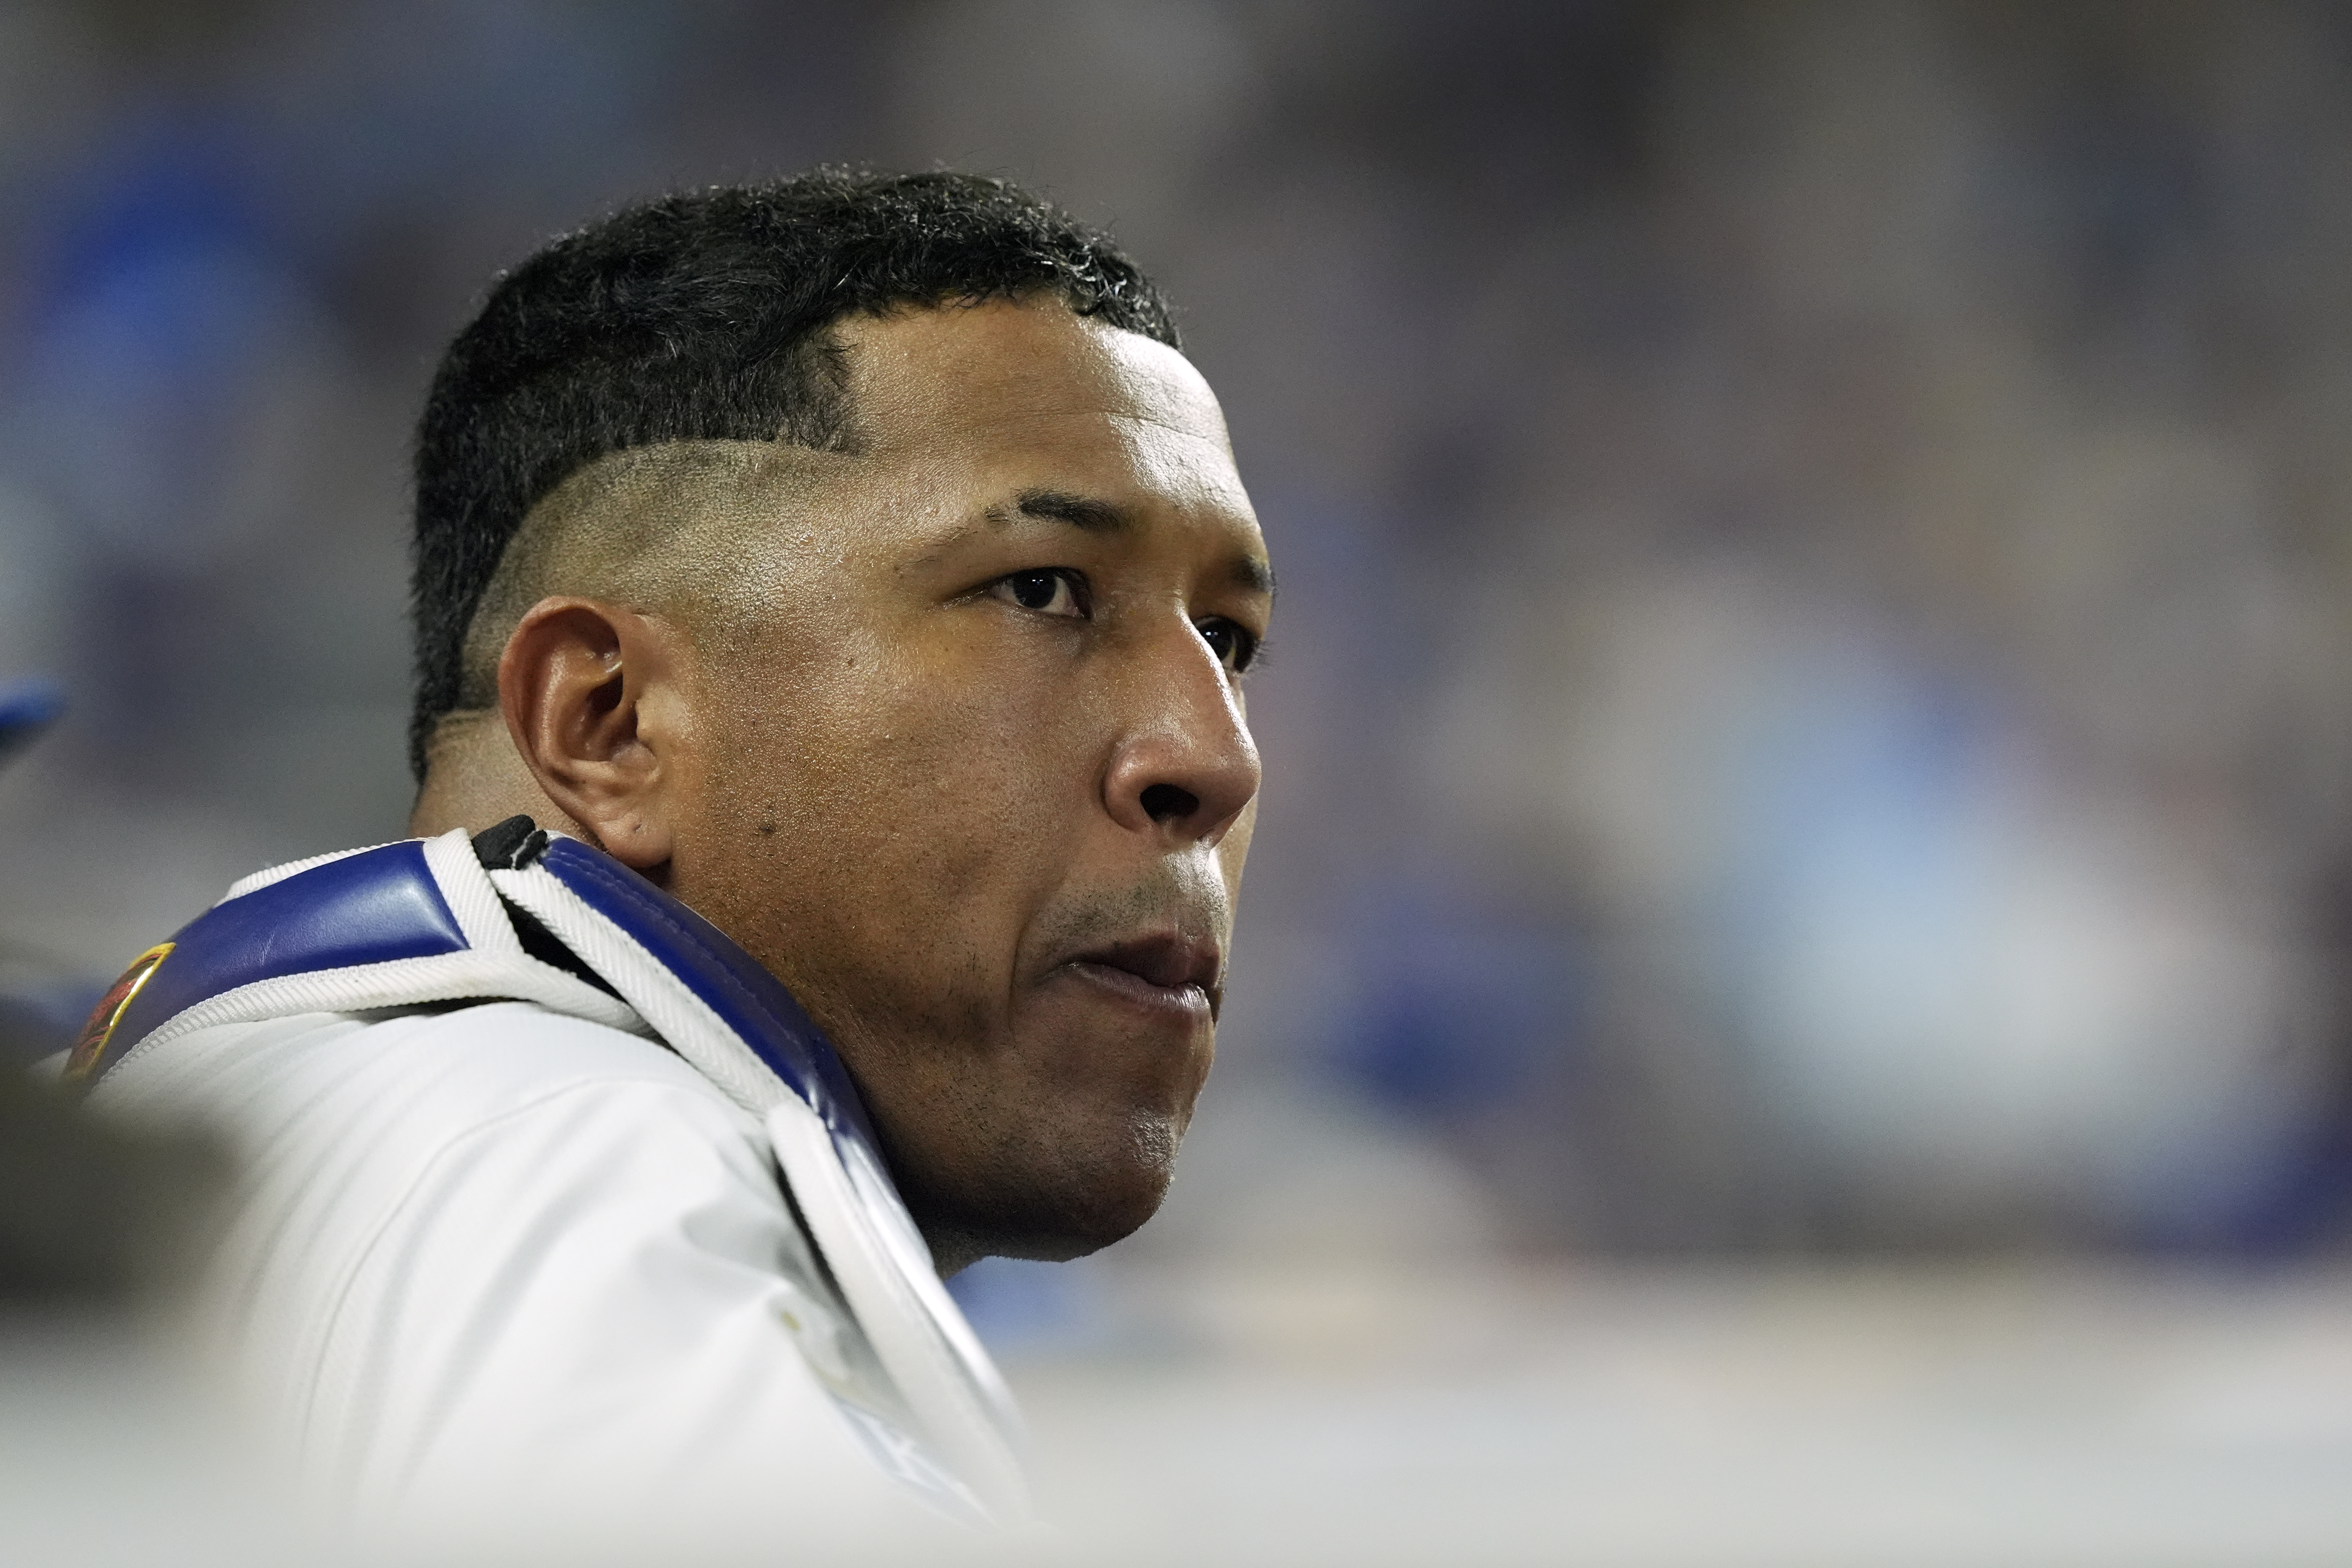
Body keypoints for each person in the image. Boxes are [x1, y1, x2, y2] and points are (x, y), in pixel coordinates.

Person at [61, 171, 1272, 1544]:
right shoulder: (586, 1173)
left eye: (1229, 640)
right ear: (609, 722)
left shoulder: (312, 1103)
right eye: (1041, 590)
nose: (1214, 757)